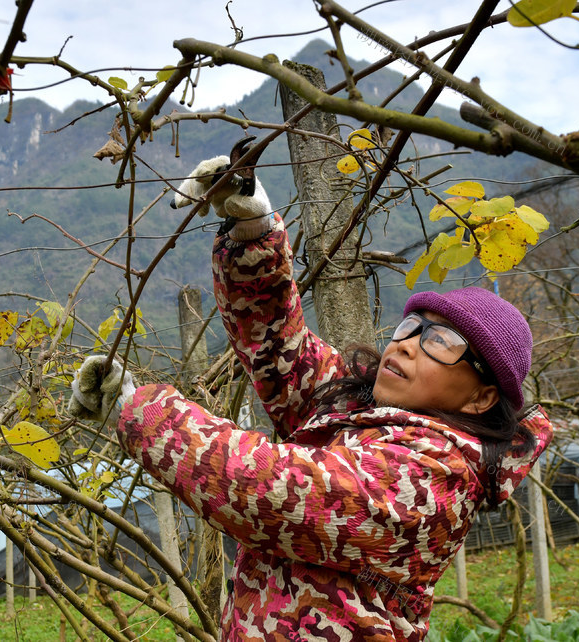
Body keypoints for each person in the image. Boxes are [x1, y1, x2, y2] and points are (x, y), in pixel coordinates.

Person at [69, 149, 554, 641]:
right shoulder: (359, 414)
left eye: (442, 343)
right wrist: (252, 229)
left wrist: (139, 410)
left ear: (480, 399)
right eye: (413, 326)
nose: (408, 345)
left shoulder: (435, 477)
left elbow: (272, 490)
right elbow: (281, 349)